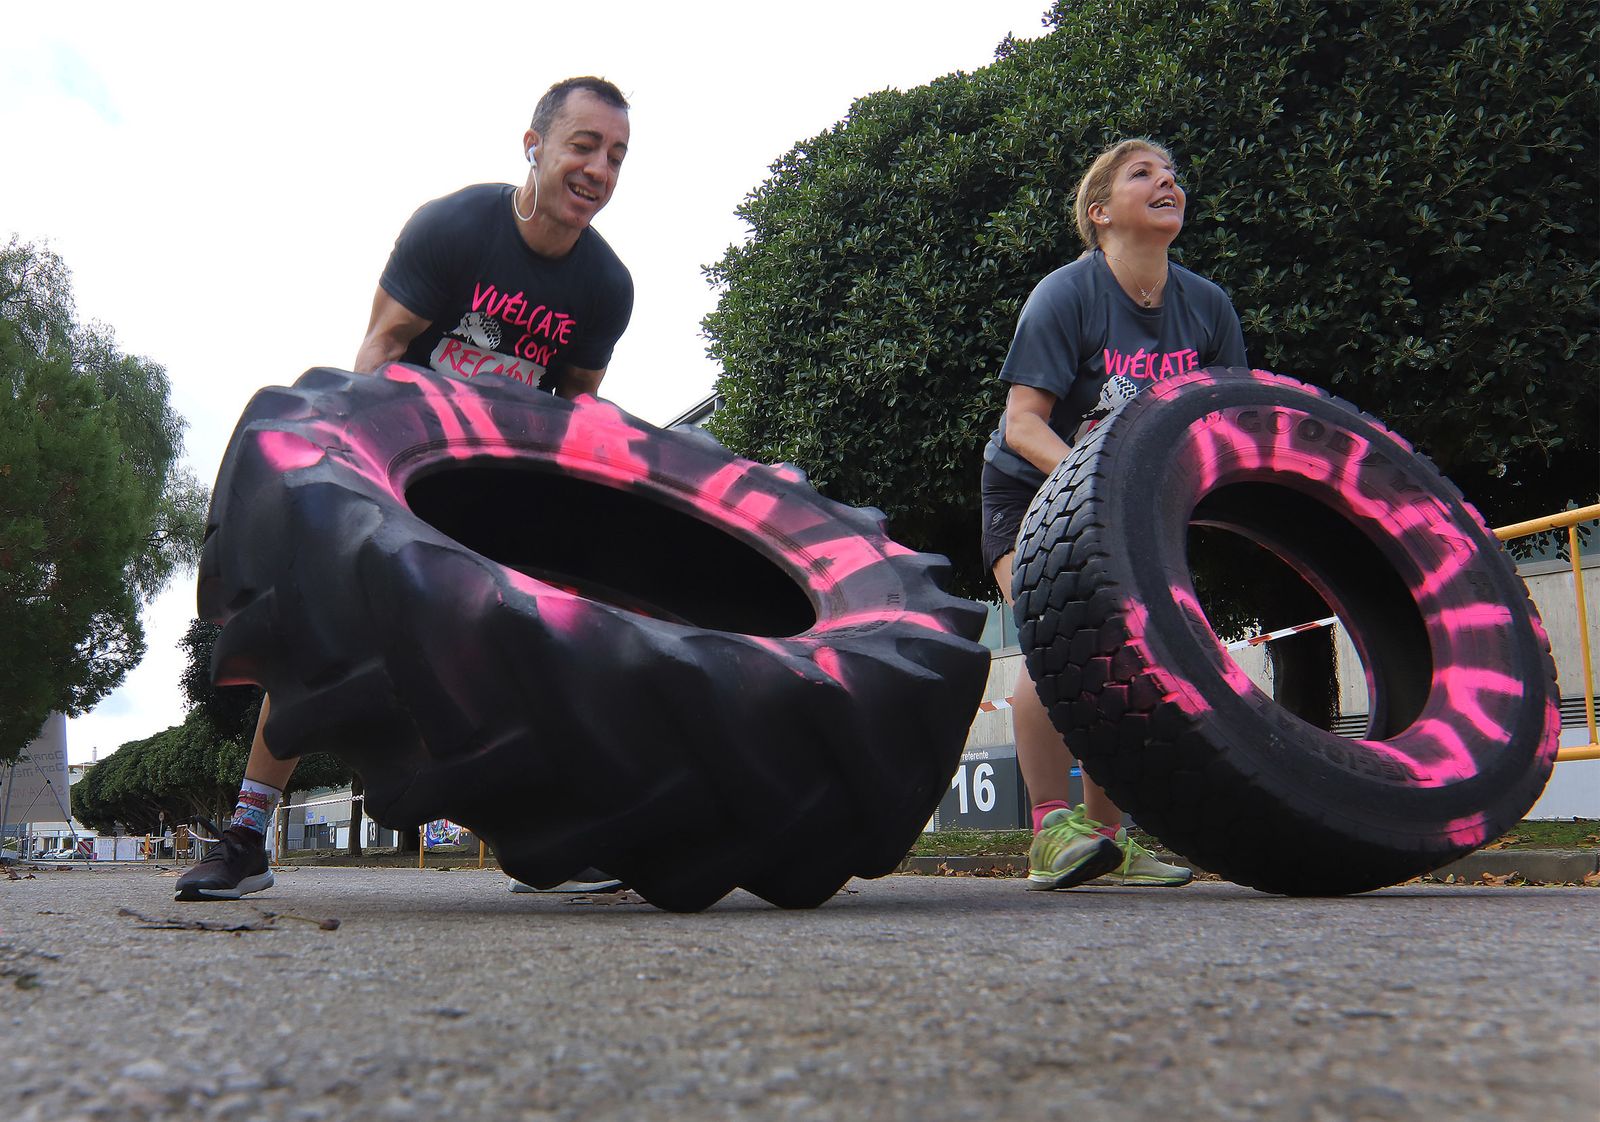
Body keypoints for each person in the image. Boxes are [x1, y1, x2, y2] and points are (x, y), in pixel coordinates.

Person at [177, 76, 635, 901]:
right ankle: (246, 837)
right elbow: (378, 355)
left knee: (531, 649)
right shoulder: (455, 228)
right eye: (583, 146)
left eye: (617, 156)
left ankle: (552, 841)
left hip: (499, 488)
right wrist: (370, 503)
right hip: (396, 464)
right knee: (317, 640)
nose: (599, 168)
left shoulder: (606, 287)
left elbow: (576, 413)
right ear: (534, 148)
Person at [980, 138, 1247, 891]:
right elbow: (1022, 423)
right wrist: (1095, 488)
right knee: (1064, 639)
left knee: (1132, 660)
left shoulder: (1208, 307)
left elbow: (1225, 421)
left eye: (1173, 173)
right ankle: (1048, 833)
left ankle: (1108, 839)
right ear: (1100, 214)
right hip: (1031, 489)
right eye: (1144, 173)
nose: (1168, 179)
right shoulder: (1066, 295)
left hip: (1129, 500)